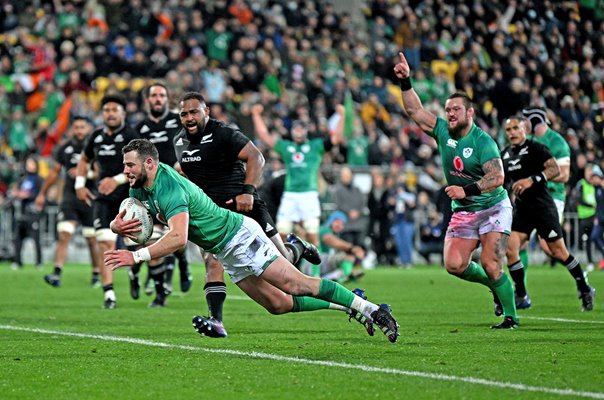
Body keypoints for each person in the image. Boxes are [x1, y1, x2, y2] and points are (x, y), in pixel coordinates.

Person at [104, 139, 400, 343]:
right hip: (224, 249)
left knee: (296, 284)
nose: (125, 171)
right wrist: (115, 226)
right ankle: (348, 305)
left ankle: (372, 309)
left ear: (150, 163)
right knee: (278, 304)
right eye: (125, 166)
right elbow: (136, 221)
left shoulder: (169, 187)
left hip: (239, 236)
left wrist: (137, 256)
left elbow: (179, 238)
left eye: (130, 165)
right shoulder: (139, 187)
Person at [173, 92, 320, 336]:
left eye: (193, 112)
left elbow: (256, 156)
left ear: (206, 111)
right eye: (184, 114)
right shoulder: (179, 141)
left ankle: (296, 248)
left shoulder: (224, 133)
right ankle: (216, 321)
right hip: (213, 215)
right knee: (212, 262)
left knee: (284, 267)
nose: (189, 117)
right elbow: (192, 173)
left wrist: (248, 192)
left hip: (244, 207)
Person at [394, 51, 518, 329]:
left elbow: (497, 176)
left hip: (492, 207)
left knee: (491, 262)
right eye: (448, 109)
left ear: (470, 112)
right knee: (453, 265)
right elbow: (415, 111)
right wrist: (406, 82)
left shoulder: (483, 141)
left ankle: (511, 316)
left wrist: (467, 190)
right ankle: (496, 287)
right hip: (464, 211)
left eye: (456, 110)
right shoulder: (442, 132)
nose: (450, 114)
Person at [500, 115, 595, 311]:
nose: (512, 133)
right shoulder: (506, 154)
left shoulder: (536, 148)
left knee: (558, 252)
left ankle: (584, 287)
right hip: (523, 209)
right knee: (510, 248)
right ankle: (521, 294)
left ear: (524, 129)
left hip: (543, 208)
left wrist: (532, 180)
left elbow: (554, 170)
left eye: (516, 128)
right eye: (508, 130)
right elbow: (504, 181)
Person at [75, 93, 141, 309]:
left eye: (114, 110)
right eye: (106, 110)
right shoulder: (95, 137)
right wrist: (80, 185)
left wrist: (117, 179)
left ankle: (134, 271)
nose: (110, 114)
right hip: (102, 200)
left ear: (123, 113)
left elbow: (143, 166)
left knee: (135, 244)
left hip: (129, 198)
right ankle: (109, 294)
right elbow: (84, 159)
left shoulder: (132, 135)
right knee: (105, 242)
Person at [251, 104, 343, 248]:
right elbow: (265, 137)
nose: (298, 131)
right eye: (296, 128)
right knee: (281, 236)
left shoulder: (315, 146)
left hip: (309, 194)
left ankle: (313, 271)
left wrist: (342, 116)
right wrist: (256, 115)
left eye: (301, 128)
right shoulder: (286, 147)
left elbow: (336, 139)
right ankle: (285, 269)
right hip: (290, 195)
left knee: (312, 235)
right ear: (292, 131)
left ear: (305, 131)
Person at [133, 82, 191, 303]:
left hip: (175, 186)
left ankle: (183, 264)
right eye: (154, 95)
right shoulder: (140, 127)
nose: (158, 99)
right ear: (148, 100)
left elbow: (190, 146)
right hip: (150, 189)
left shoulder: (178, 122)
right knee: (153, 239)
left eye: (162, 95)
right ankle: (160, 294)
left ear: (167, 99)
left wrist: (183, 164)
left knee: (178, 236)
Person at [35, 116, 102, 287]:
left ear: (88, 129)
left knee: (91, 238)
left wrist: (83, 173)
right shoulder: (64, 149)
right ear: (72, 129)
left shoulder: (95, 148)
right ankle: (56, 273)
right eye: (76, 127)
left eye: (82, 127)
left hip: (90, 198)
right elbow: (54, 173)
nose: (79, 131)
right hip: (70, 198)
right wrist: (42, 193)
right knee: (64, 234)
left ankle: (96, 274)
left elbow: (100, 173)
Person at [521, 107, 571, 270]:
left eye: (526, 119)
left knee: (550, 247)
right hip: (529, 198)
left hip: (552, 196)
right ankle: (521, 291)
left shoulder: (557, 142)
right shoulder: (526, 140)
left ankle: (579, 276)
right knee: (517, 243)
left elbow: (564, 174)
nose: (523, 123)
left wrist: (536, 177)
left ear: (535, 120)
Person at [10, 156, 43, 269]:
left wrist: (29, 195)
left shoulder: (39, 179)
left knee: (36, 239)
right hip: (22, 212)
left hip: (33, 212)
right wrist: (16, 193)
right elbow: (16, 190)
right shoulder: (22, 178)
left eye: (32, 164)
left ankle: (39, 262)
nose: (30, 166)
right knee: (18, 238)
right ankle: (17, 261)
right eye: (28, 164)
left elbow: (41, 195)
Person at [317, 211, 366, 284]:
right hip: (313, 263)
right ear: (331, 220)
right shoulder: (324, 229)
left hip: (319, 262)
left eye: (342, 224)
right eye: (337, 222)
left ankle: (339, 276)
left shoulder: (333, 232)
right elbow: (330, 240)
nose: (339, 225)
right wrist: (352, 248)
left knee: (343, 261)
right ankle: (345, 276)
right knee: (346, 257)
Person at [331, 166, 367, 247]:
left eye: (347, 175)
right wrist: (349, 212)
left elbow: (363, 203)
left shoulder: (357, 190)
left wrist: (358, 212)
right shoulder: (338, 191)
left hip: (358, 224)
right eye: (344, 176)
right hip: (345, 225)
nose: (346, 178)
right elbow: (339, 204)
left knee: (360, 247)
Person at [572, 164, 597, 271]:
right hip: (585, 217)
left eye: (591, 172)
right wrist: (591, 205)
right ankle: (590, 262)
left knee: (596, 238)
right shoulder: (581, 184)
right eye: (588, 172)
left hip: (595, 217)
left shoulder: (597, 184)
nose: (590, 175)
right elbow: (578, 200)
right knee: (586, 240)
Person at [589, 166, 604, 270]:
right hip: (600, 219)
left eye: (594, 177)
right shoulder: (596, 189)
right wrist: (596, 216)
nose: (592, 180)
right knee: (594, 236)